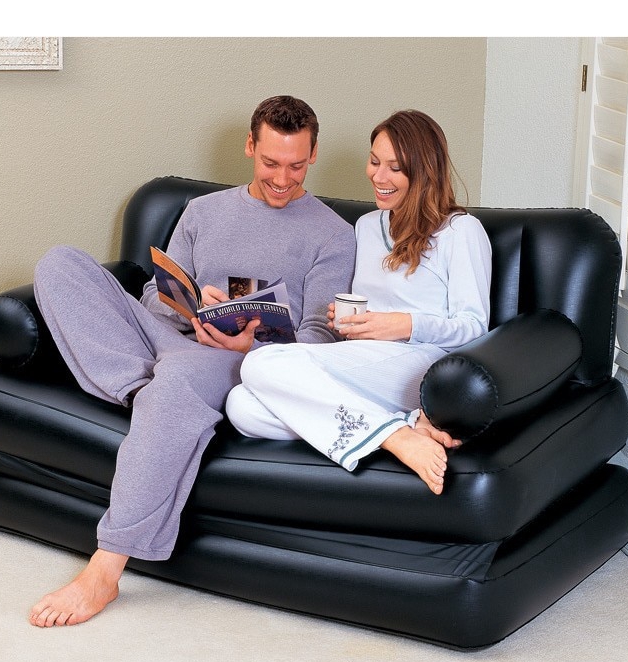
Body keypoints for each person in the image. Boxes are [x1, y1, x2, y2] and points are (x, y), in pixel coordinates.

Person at [28, 96, 356, 627]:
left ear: (313, 154)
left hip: (238, 364)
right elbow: (154, 296)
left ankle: (105, 571)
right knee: (59, 264)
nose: (282, 179)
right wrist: (194, 305)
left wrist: (249, 347)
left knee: (181, 374)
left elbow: (320, 338)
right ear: (250, 147)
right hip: (171, 337)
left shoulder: (334, 235)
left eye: (296, 166)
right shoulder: (203, 211)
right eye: (271, 163)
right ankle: (147, 393)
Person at [226, 110, 492, 494]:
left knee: (259, 363)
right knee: (242, 407)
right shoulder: (367, 226)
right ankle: (397, 428)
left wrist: (403, 324)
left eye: (395, 168)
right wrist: (347, 321)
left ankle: (395, 435)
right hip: (364, 359)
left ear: (424, 172)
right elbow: (368, 311)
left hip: (422, 363)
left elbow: (474, 326)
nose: (379, 177)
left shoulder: (460, 231)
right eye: (374, 162)